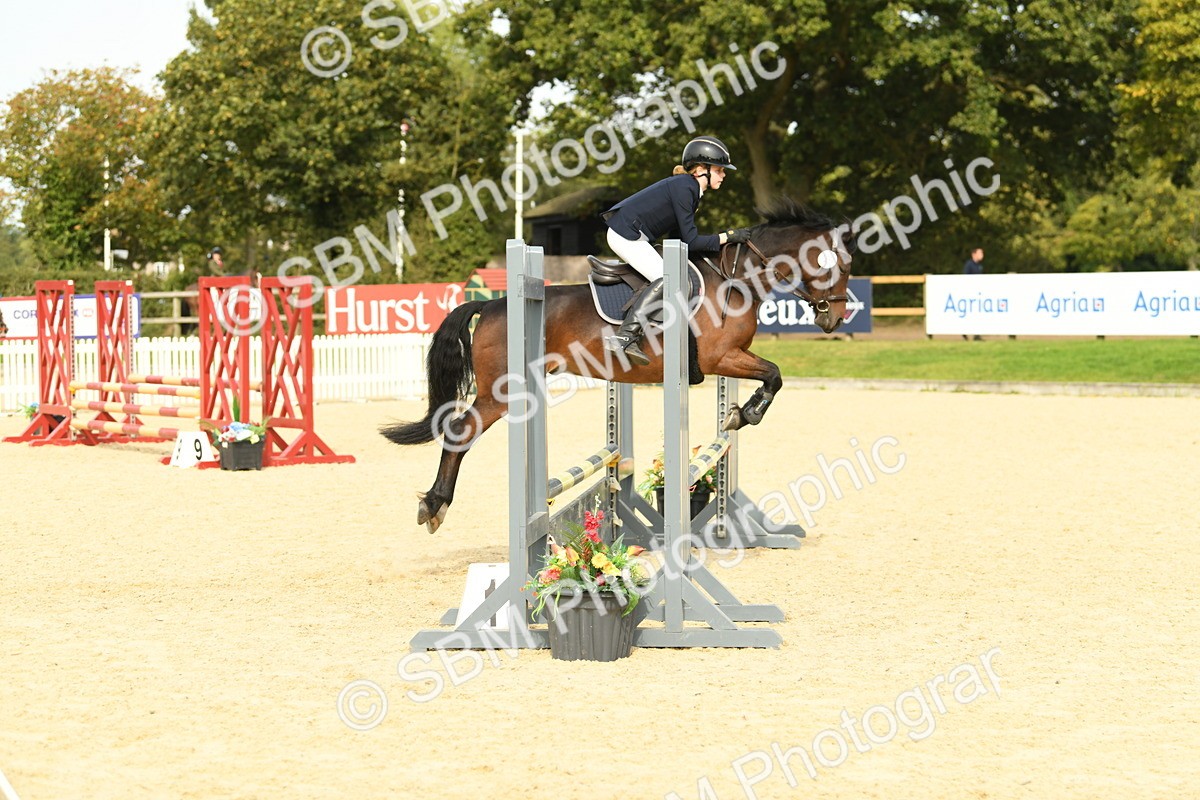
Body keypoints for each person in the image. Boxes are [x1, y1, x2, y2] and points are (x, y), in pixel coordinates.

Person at [600, 135, 753, 365]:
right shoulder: (686, 188)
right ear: (702, 170)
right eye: (720, 170)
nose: (724, 175)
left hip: (634, 235)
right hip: (625, 235)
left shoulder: (688, 189)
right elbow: (690, 241)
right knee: (668, 279)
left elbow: (679, 240)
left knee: (671, 274)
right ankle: (625, 336)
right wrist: (727, 237)